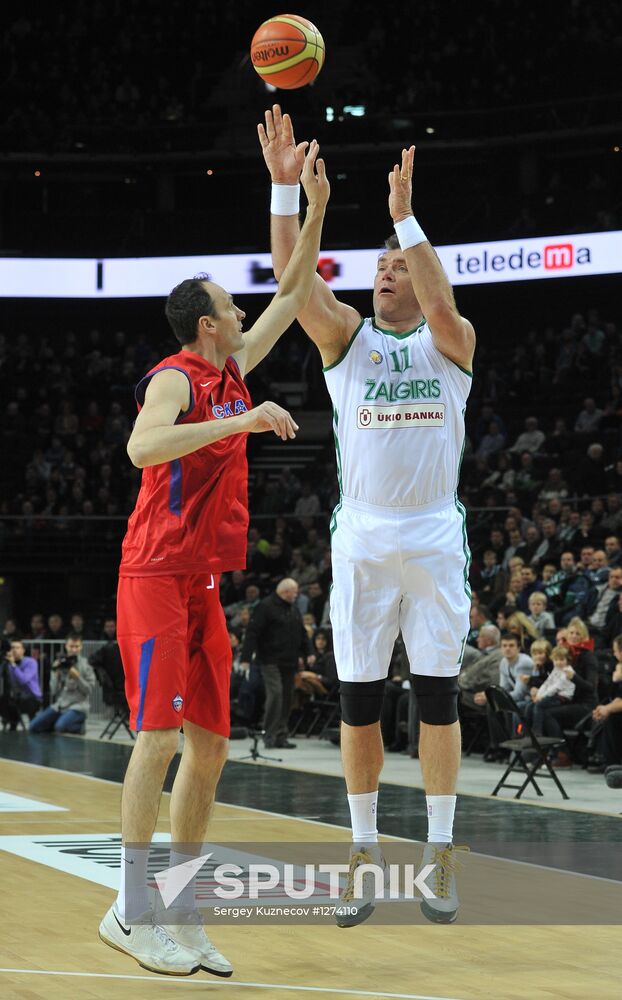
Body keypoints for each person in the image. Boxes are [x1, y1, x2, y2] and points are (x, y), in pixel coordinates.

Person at [98, 145, 330, 978]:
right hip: (153, 578)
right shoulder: (179, 377)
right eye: (233, 308)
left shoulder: (234, 369)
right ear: (207, 324)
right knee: (158, 737)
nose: (243, 313)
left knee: (211, 748)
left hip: (202, 584)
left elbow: (297, 292)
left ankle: (184, 908)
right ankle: (131, 910)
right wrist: (238, 423)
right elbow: (141, 447)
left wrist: (314, 207)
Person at [260, 104, 475, 925]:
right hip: (363, 536)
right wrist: (286, 193)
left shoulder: (450, 343)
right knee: (355, 701)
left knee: (439, 700)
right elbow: (293, 282)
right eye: (380, 266)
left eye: (399, 266)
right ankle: (362, 851)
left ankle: (441, 851)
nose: (386, 273)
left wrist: (404, 221)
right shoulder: (347, 340)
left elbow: (445, 306)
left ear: (420, 280)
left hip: (430, 535)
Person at [239, 578, 314, 748]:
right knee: (276, 695)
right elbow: (252, 633)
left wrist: (309, 652)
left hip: (290, 660)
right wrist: (245, 658)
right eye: (294, 591)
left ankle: (281, 734)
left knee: (288, 697)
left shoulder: (293, 609)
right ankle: (269, 733)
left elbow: (302, 633)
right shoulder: (265, 607)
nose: (297, 595)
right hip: (269, 660)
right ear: (285, 591)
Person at [29, 634, 94, 733]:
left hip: (78, 706)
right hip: (60, 705)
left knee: (60, 727)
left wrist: (77, 677)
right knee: (33, 727)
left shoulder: (86, 665)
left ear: (81, 647)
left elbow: (89, 690)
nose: (74, 649)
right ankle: (58, 722)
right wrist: (55, 674)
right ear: (66, 646)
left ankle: (79, 727)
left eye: (77, 646)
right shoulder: (60, 663)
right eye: (71, 646)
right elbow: (53, 690)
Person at [524, 645, 576, 735]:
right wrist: (538, 695)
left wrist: (541, 697)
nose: (558, 662)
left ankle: (537, 732)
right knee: (529, 706)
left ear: (567, 660)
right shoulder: (556, 669)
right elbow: (547, 683)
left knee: (539, 705)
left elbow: (556, 687)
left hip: (562, 697)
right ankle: (526, 732)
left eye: (561, 660)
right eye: (556, 660)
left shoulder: (568, 671)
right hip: (552, 695)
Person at [0, 639, 42, 728]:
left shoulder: (31, 662)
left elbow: (23, 680)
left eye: (17, 648)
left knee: (19, 703)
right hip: (16, 697)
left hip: (32, 697)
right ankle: (11, 725)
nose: (14, 650)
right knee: (4, 701)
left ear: (23, 650)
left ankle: (19, 723)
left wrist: (13, 664)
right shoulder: (7, 663)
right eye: (12, 648)